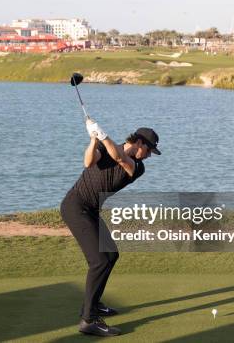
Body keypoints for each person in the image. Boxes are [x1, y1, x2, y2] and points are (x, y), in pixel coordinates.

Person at [60, 118, 161, 337]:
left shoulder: (137, 167)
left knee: (111, 255)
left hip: (91, 210)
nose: (150, 155)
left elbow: (119, 156)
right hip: (75, 207)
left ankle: (93, 304)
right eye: (150, 150)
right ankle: (89, 319)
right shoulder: (106, 148)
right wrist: (94, 138)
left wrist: (103, 135)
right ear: (141, 144)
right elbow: (88, 162)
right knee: (100, 260)